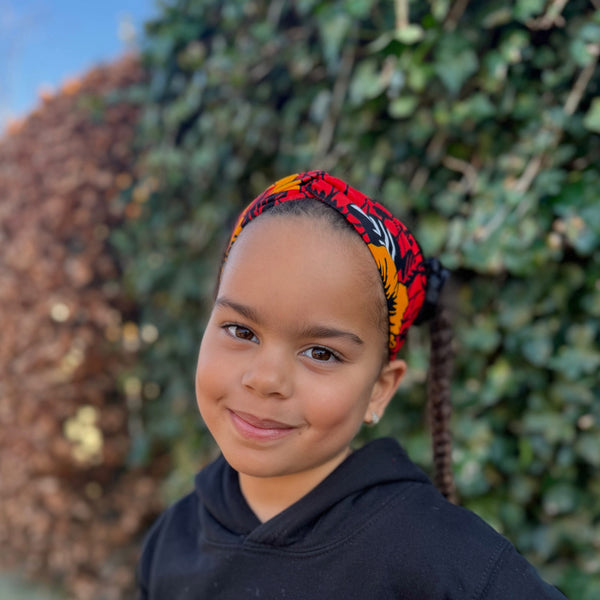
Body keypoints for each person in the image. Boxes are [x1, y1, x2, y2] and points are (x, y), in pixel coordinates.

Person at [136, 171, 568, 599]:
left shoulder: (445, 560)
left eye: (321, 353)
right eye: (241, 331)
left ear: (380, 388)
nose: (265, 379)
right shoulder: (173, 539)